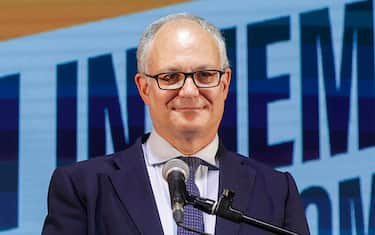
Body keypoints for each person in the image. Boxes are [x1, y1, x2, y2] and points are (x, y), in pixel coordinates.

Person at [42, 13, 310, 235]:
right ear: (144, 88)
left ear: (225, 84)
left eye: (205, 75)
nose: (190, 91)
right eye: (171, 77)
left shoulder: (277, 190)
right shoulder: (82, 187)